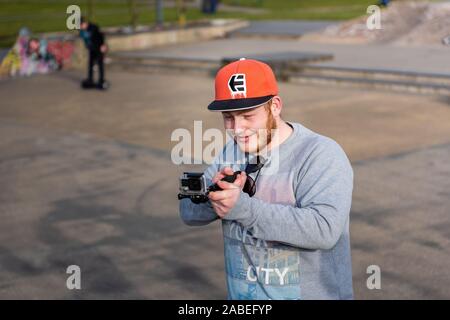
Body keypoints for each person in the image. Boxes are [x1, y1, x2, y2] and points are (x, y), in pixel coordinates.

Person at [179, 58, 354, 300]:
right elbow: (188, 213)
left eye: (247, 115)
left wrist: (241, 208)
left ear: (275, 106)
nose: (237, 128)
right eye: (228, 117)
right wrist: (216, 198)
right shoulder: (230, 152)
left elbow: (324, 230)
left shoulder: (320, 153)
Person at [79, 17, 108, 89]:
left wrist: (103, 45)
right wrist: (87, 45)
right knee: (90, 64)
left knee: (100, 64)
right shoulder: (81, 31)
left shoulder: (93, 27)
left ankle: (101, 80)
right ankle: (90, 79)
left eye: (81, 25)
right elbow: (85, 39)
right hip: (92, 49)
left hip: (99, 48)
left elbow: (101, 36)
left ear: (85, 23)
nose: (80, 27)